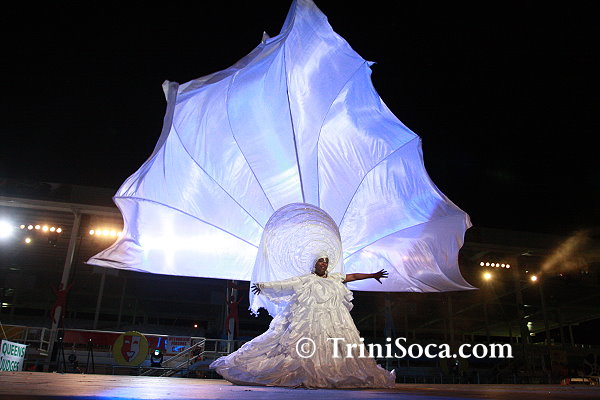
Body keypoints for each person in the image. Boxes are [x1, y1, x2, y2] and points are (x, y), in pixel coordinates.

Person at [210, 256, 396, 388]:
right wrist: (264, 286)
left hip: (335, 318)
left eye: (325, 262)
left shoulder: (334, 278)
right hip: (309, 317)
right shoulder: (307, 279)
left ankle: (330, 371)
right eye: (320, 261)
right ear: (315, 264)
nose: (323, 264)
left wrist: (372, 275)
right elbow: (286, 284)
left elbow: (352, 276)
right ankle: (302, 372)